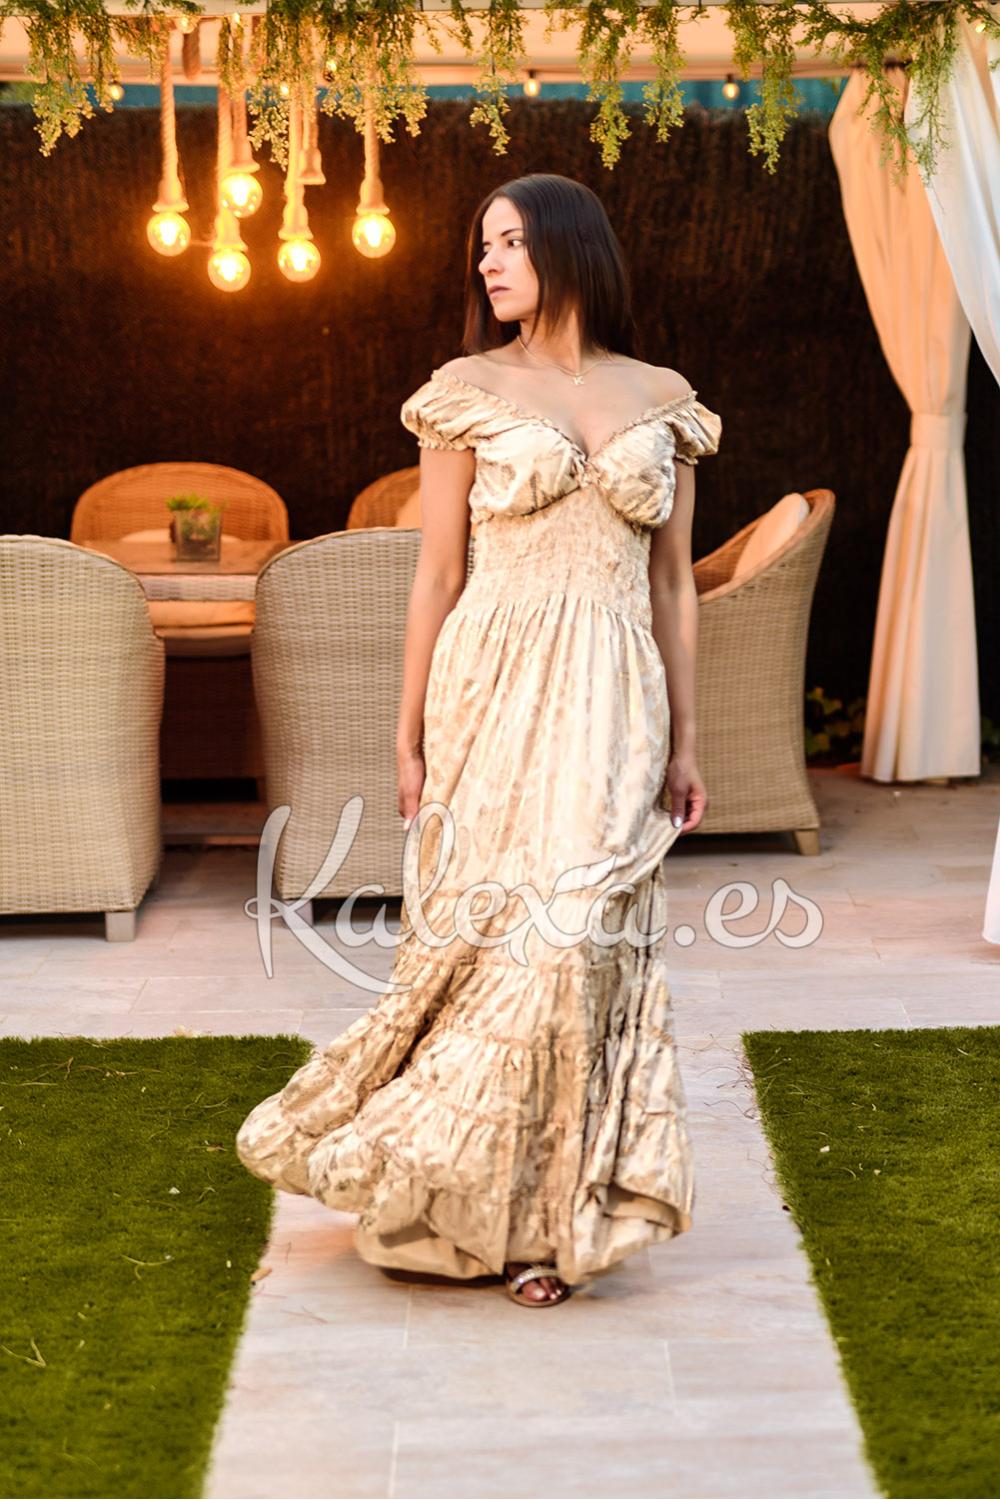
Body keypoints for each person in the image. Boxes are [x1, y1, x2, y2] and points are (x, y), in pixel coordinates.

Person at [236, 171, 722, 1308]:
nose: (488, 264)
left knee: (578, 943)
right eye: (483, 248)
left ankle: (557, 1220)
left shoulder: (664, 398)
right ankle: (481, 1207)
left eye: (508, 243)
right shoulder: (463, 391)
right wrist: (406, 734)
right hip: (491, 686)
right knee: (500, 947)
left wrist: (687, 739)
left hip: (616, 692)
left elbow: (673, 585)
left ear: (569, 246)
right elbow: (437, 574)